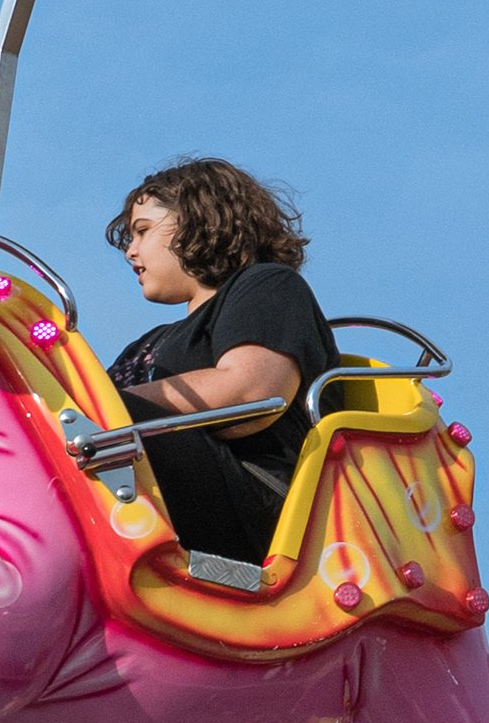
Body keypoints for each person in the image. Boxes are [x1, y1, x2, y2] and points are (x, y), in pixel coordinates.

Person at [105, 160, 344, 565]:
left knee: (92, 415)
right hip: (166, 482)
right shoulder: (145, 344)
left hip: (256, 498)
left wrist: (107, 407)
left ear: (200, 221)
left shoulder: (268, 286)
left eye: (143, 230)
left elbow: (252, 394)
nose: (131, 249)